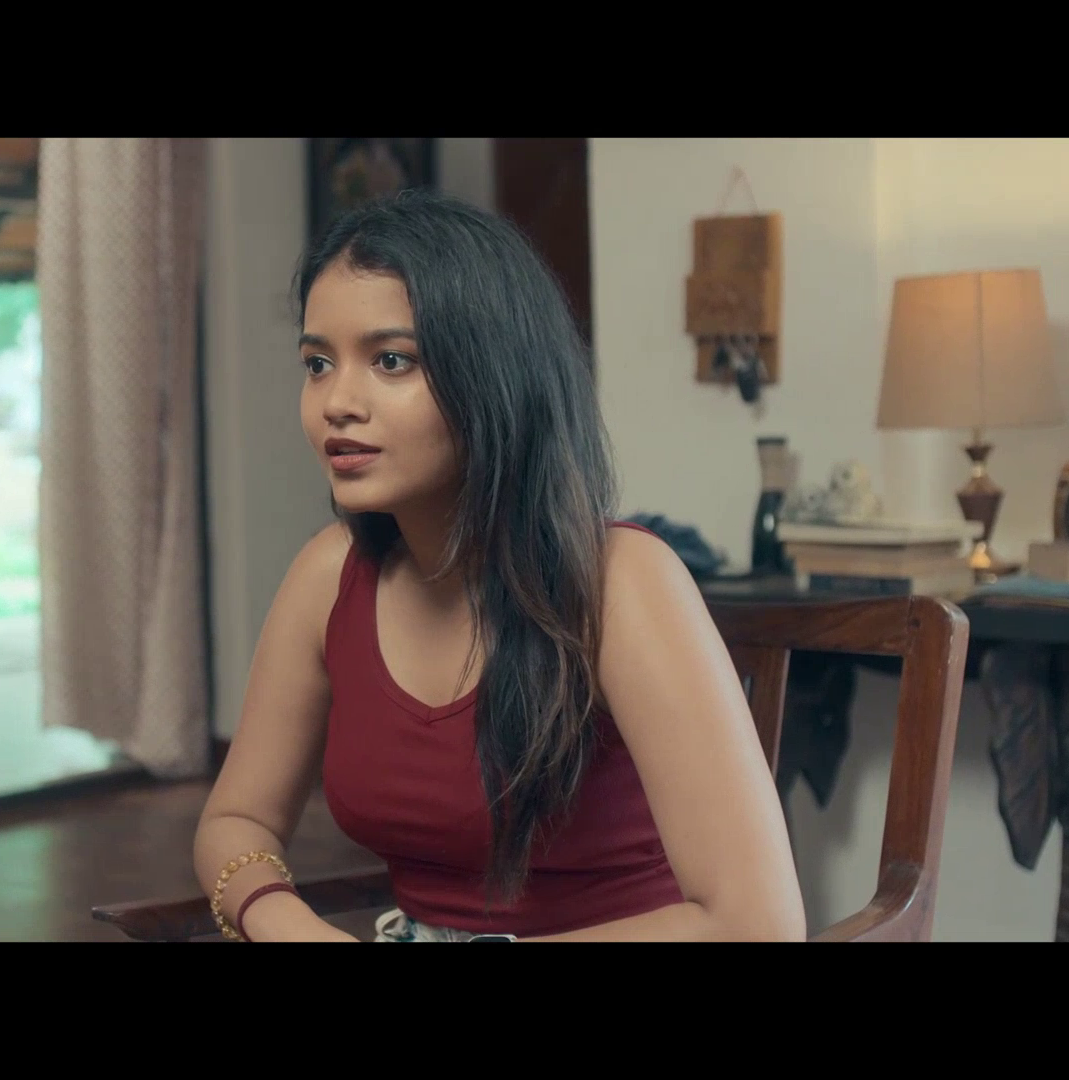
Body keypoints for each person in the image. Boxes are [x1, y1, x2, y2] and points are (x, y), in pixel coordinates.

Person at [192, 189, 805, 942]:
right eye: (318, 363)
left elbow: (756, 923)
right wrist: (289, 925)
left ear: (495, 374)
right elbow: (236, 820)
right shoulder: (328, 578)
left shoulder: (623, 583)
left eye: (391, 360)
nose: (336, 402)